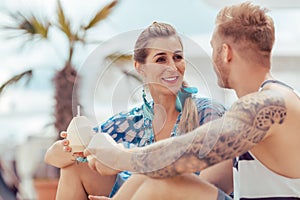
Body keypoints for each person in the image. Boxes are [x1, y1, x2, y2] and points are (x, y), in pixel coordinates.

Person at [85, 2, 300, 200]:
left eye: (213, 47)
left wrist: (119, 157)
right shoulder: (257, 108)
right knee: (155, 178)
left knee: (161, 184)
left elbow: (187, 150)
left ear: (225, 52)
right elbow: (210, 182)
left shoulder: (270, 103)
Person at [44, 22, 227, 199]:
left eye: (177, 57)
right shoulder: (128, 123)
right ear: (140, 67)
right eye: (161, 59)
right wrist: (74, 147)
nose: (173, 67)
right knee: (73, 168)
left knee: (150, 177)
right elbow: (52, 157)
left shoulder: (208, 113)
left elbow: (213, 187)